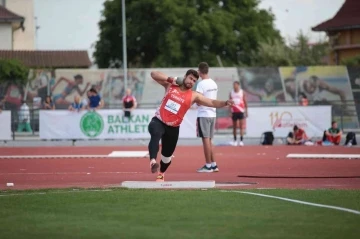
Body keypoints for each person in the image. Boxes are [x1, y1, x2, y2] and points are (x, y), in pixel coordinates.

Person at [148, 69, 234, 182]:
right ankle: (153, 161)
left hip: (173, 128)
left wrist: (224, 103)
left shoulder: (194, 96)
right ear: (185, 77)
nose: (191, 82)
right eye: (190, 78)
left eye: (194, 81)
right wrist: (171, 79)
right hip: (159, 120)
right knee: (156, 133)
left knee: (166, 157)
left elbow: (211, 102)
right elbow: (153, 74)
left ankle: (161, 172)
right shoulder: (171, 85)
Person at [195, 62, 219, 173]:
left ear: (200, 71)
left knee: (205, 141)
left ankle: (208, 165)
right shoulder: (214, 83)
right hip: (213, 114)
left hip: (204, 114)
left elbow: (198, 100)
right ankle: (213, 164)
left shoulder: (201, 84)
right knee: (209, 140)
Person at [229, 81, 248, 146]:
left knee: (241, 126)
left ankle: (241, 140)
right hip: (234, 111)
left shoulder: (242, 92)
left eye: (236, 85)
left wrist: (246, 111)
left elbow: (245, 101)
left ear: (238, 85)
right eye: (234, 85)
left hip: (241, 111)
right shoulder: (231, 92)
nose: (235, 86)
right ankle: (235, 140)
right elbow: (229, 102)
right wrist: (230, 111)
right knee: (234, 127)